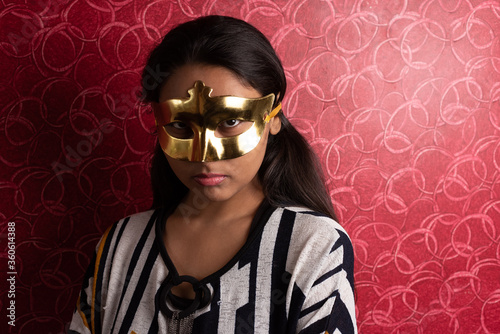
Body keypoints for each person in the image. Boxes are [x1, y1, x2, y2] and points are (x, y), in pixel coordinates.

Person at [68, 15, 356, 334]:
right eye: (180, 125)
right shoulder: (120, 244)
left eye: (230, 122)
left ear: (273, 116)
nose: (203, 154)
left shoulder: (312, 245)